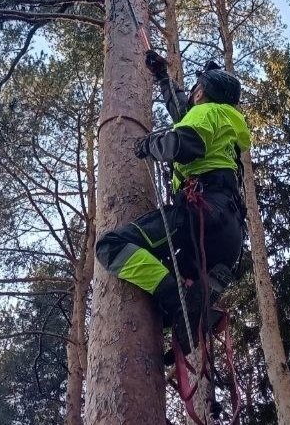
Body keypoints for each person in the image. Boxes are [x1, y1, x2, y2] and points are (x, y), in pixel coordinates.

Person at [95, 50, 251, 354]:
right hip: (227, 235)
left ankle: (181, 300)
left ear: (202, 91)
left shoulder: (208, 113)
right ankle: (192, 308)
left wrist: (150, 144)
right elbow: (184, 113)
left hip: (201, 214)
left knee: (110, 246)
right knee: (164, 295)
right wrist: (163, 77)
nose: (192, 94)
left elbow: (185, 143)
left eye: (196, 89)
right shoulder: (224, 120)